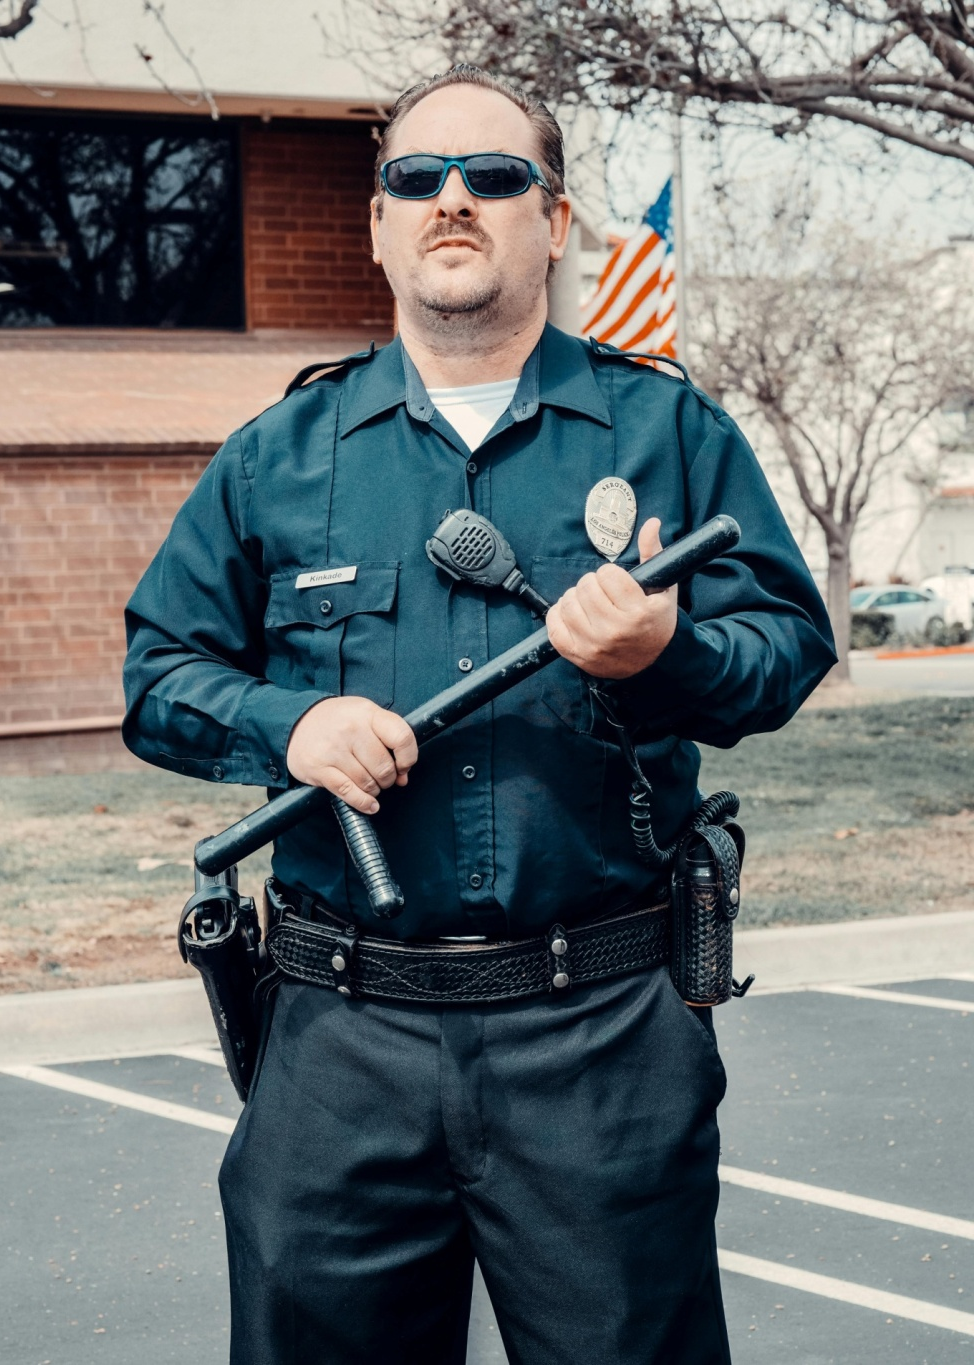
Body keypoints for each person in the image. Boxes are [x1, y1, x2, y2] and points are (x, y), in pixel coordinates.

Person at [123, 64, 836, 1365]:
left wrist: (664, 647)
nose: (455, 200)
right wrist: (288, 726)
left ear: (554, 221)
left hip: (602, 1039)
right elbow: (158, 677)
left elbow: (786, 649)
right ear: (379, 223)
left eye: (494, 176)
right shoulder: (280, 457)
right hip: (340, 1042)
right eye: (418, 178)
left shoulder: (664, 432)